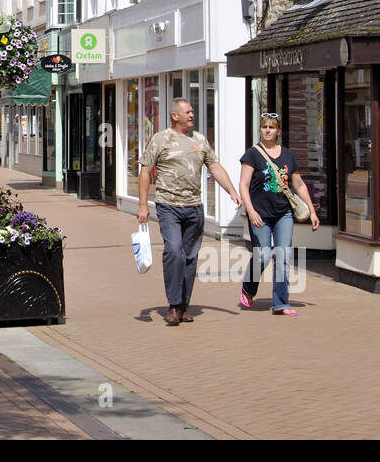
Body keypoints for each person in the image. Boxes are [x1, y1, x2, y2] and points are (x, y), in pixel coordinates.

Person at [137, 97, 242, 327]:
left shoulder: (200, 140)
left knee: (190, 258)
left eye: (192, 111)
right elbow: (145, 171)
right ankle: (173, 305)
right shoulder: (161, 139)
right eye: (188, 112)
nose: (192, 115)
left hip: (194, 208)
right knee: (174, 252)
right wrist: (143, 205)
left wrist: (232, 191)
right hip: (168, 206)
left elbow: (215, 167)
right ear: (175, 115)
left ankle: (184, 306)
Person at [239, 112, 320, 316]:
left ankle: (281, 303)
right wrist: (250, 211)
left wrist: (312, 210)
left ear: (278, 131)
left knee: (283, 256)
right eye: (264, 126)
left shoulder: (288, 155)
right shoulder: (253, 154)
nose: (267, 130)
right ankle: (249, 287)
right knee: (263, 255)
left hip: (283, 214)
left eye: (271, 127)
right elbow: (244, 185)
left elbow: (298, 184)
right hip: (260, 214)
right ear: (260, 129)